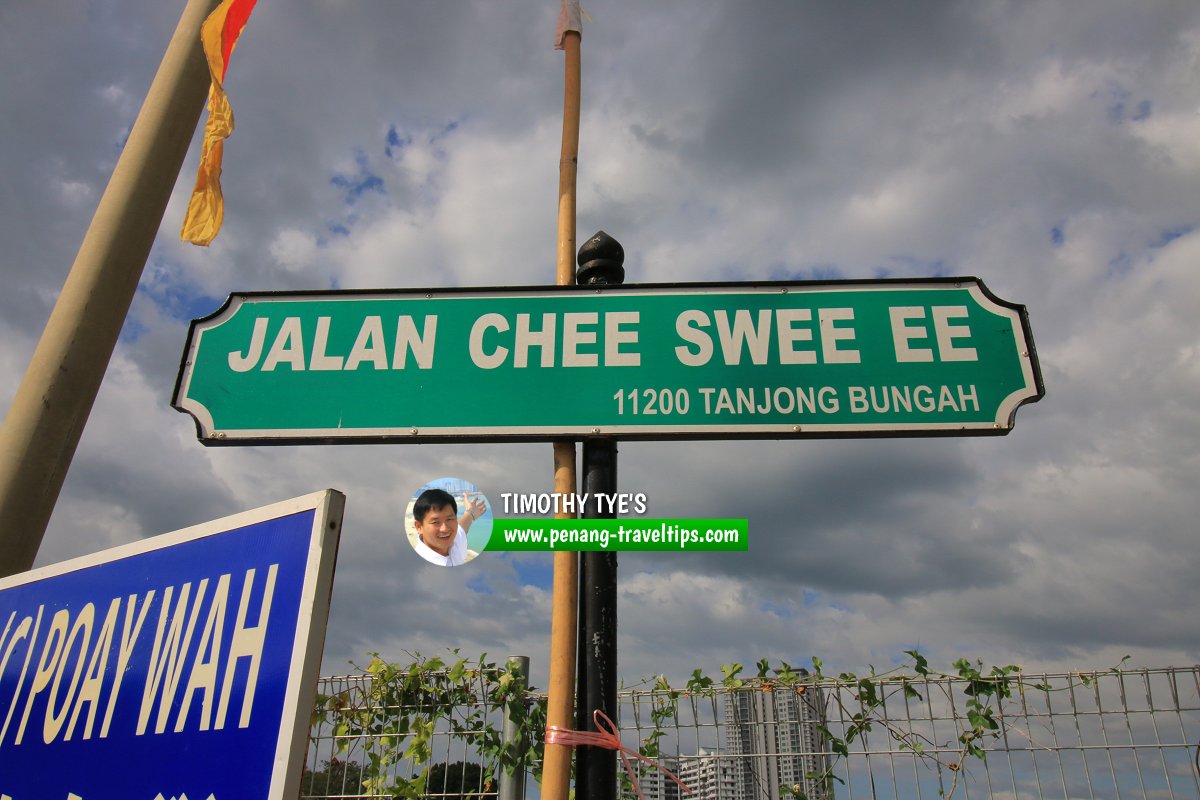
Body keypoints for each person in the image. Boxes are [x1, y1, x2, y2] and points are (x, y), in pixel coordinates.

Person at [411, 487, 486, 566]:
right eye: (435, 522)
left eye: (449, 519)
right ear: (419, 527)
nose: (445, 529)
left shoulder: (455, 541)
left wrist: (470, 512)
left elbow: (462, 526)